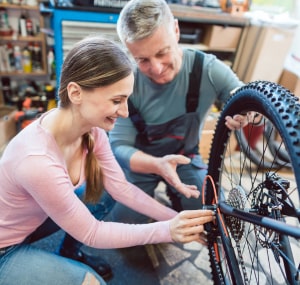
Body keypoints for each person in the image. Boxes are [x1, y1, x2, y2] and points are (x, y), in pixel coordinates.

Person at [0, 36, 215, 285]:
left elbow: (121, 188)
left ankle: (69, 253)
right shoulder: (36, 160)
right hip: (4, 249)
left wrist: (176, 219)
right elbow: (92, 232)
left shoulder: (92, 132)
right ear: (75, 93)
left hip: (31, 221)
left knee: (105, 189)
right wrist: (167, 231)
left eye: (126, 100)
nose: (124, 112)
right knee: (93, 283)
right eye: (116, 101)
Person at [109, 0, 253, 224]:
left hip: (185, 157)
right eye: (143, 60)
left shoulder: (206, 69)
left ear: (175, 30)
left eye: (162, 52)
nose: (156, 68)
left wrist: (245, 112)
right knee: (125, 223)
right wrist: (158, 166)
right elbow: (118, 147)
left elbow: (243, 95)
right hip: (141, 163)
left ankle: (177, 196)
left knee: (210, 212)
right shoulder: (128, 84)